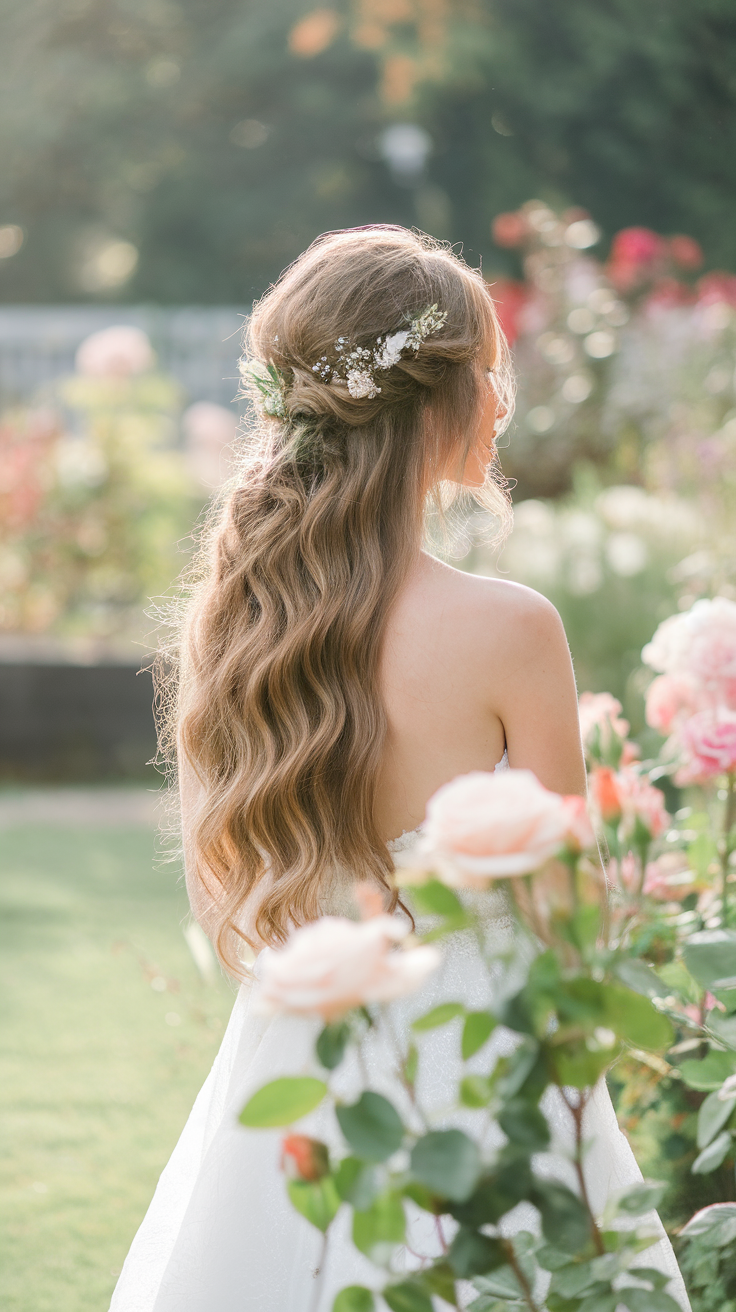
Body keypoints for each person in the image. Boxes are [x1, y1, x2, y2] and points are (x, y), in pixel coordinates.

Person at [110, 227, 690, 1310]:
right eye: (488, 370)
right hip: (487, 1076)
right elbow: (574, 921)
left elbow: (224, 904)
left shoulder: (229, 628)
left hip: (290, 1088)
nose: (502, 400)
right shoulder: (512, 629)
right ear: (432, 400)